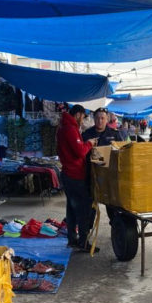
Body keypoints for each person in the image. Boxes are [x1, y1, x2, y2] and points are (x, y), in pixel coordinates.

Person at [57, 105, 98, 251]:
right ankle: (83, 242)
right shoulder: (70, 129)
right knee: (83, 209)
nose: (83, 120)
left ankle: (73, 240)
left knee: (72, 209)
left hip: (69, 174)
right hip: (74, 175)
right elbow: (80, 152)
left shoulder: (64, 127)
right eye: (83, 116)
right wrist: (89, 144)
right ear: (78, 114)